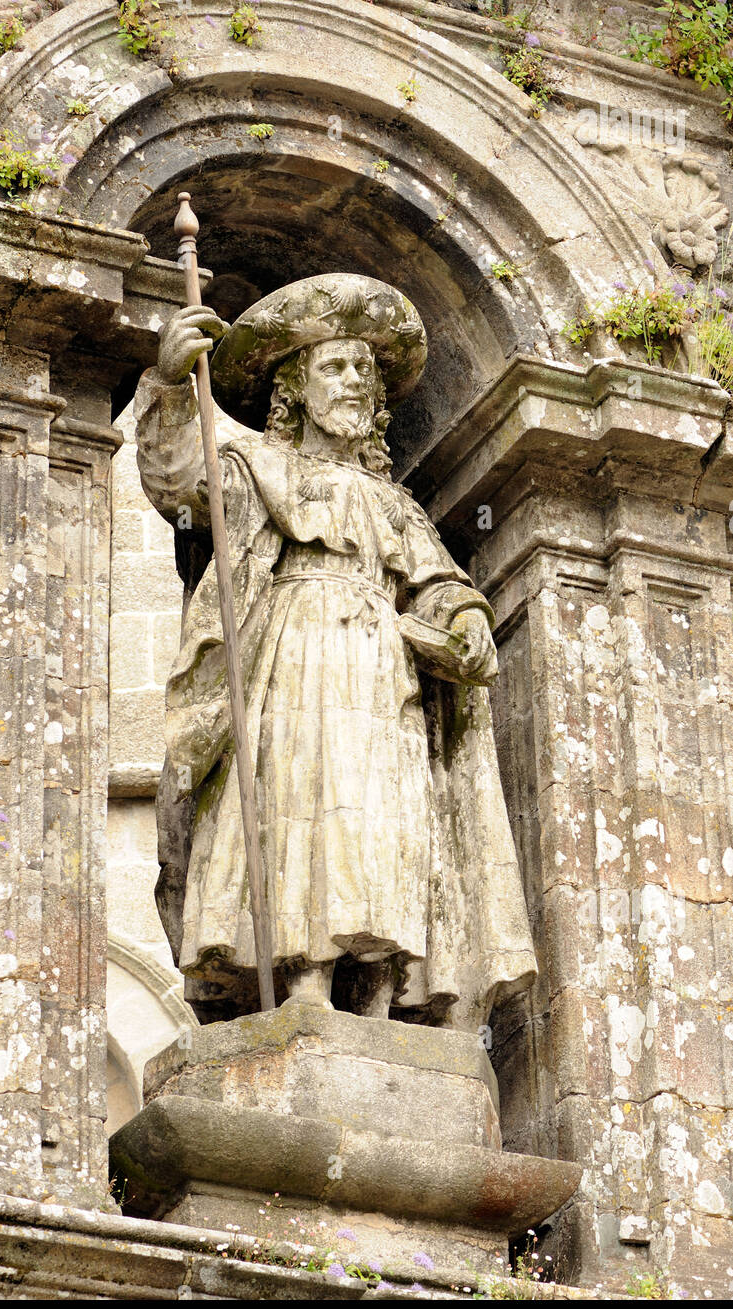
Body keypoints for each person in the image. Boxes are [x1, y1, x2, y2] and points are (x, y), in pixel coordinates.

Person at [134, 273, 536, 1029]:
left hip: (384, 674)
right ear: (294, 389)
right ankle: (304, 980)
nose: (354, 383)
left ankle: (380, 993)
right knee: (298, 802)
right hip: (291, 658)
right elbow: (177, 481)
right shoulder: (255, 469)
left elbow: (437, 583)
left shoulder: (395, 502)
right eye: (334, 367)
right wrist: (168, 382)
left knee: (384, 817)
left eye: (365, 372)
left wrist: (465, 619)